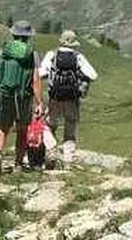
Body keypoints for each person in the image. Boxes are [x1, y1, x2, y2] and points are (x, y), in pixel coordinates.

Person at [35, 29, 98, 165]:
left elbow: (40, 74)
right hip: (72, 98)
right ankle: (69, 159)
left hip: (55, 97)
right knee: (70, 127)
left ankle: (51, 147)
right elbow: (93, 75)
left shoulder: (52, 55)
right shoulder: (78, 56)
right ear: (73, 43)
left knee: (48, 124)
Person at [0, 20, 38, 177]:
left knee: (2, 129)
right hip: (23, 96)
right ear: (28, 36)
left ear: (14, 34)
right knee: (22, 130)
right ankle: (18, 164)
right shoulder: (32, 54)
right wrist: (40, 102)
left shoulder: (3, 50)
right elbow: (35, 80)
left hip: (4, 94)